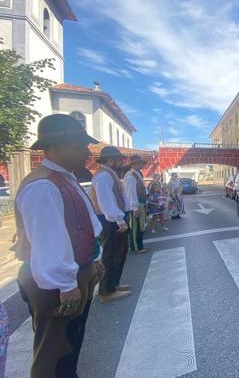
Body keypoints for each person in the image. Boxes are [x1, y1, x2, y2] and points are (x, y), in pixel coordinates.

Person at [13, 114, 105, 378]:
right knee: (53, 355)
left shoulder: (63, 178)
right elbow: (49, 242)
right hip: (56, 285)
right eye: (79, 145)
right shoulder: (43, 185)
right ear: (53, 148)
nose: (86, 152)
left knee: (70, 346)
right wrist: (67, 285)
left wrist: (94, 260)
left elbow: (83, 224)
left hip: (74, 275)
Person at [90, 146, 132, 303]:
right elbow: (106, 201)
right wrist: (118, 219)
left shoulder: (109, 174)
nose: (121, 162)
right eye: (119, 159)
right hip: (110, 221)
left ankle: (114, 284)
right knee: (110, 254)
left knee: (119, 253)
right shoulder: (103, 176)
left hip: (114, 219)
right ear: (110, 160)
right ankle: (106, 291)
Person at [123, 155, 150, 254]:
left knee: (140, 226)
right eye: (139, 163)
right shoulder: (130, 176)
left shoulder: (137, 174)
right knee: (136, 227)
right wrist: (135, 208)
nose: (141, 165)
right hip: (137, 205)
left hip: (140, 204)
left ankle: (138, 246)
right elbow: (131, 193)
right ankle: (136, 247)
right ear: (133, 164)